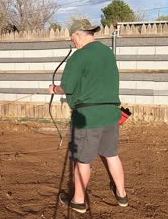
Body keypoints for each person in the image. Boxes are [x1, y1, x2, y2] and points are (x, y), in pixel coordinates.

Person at [48, 18, 128, 214]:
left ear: (78, 35)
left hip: (88, 117)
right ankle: (122, 195)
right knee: (111, 155)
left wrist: (54, 89)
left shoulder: (79, 56)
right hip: (111, 114)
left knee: (83, 160)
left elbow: (67, 87)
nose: (73, 43)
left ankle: (78, 201)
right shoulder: (108, 53)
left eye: (73, 38)